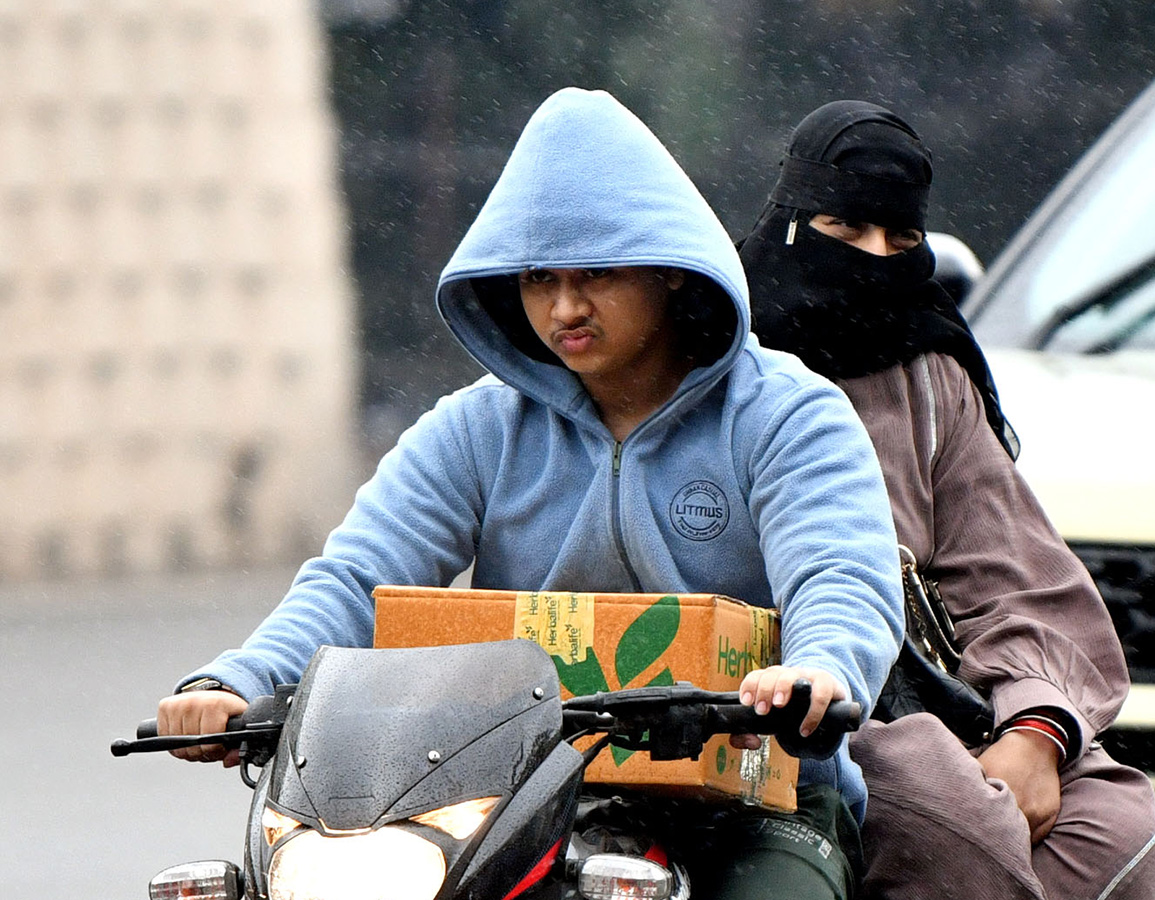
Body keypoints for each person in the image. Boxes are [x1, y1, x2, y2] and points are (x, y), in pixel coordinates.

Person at [156, 88, 905, 900]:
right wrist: (234, 681)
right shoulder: (477, 428)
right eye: (540, 278)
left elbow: (840, 577)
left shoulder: (789, 416)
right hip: (514, 788)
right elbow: (354, 581)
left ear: (672, 273)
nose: (564, 307)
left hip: (759, 790)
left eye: (598, 274)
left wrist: (820, 671)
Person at [738, 99, 1155, 900]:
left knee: (1120, 835)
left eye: (900, 240)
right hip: (792, 699)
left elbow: (1014, 575)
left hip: (936, 692)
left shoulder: (927, 369)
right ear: (792, 224)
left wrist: (1035, 732)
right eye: (845, 229)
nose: (874, 258)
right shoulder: (720, 361)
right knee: (954, 830)